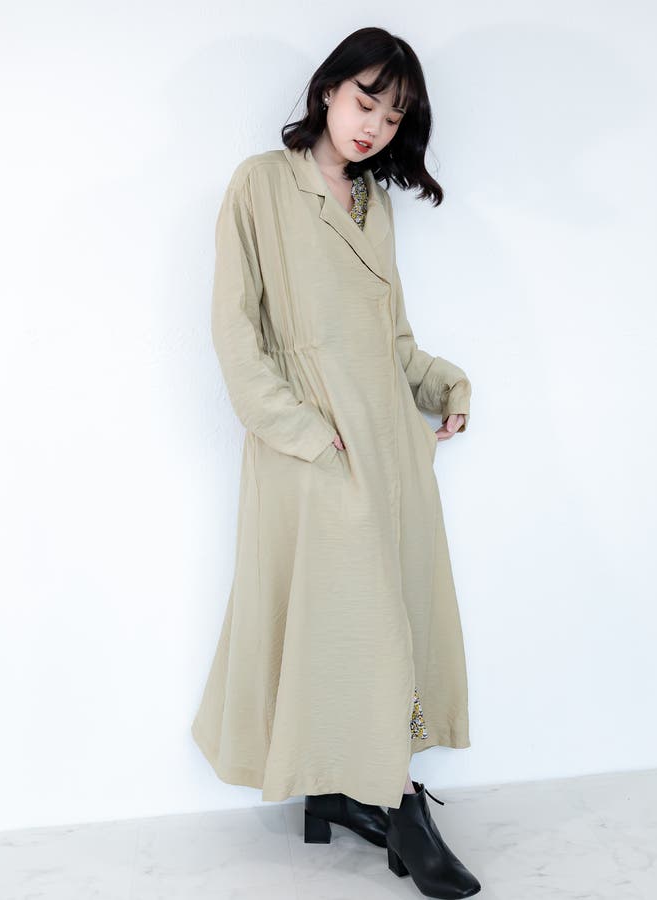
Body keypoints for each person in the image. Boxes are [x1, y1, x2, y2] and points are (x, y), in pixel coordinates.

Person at [191, 26, 480, 898]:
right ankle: (400, 806)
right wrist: (308, 434)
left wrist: (442, 384)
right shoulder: (260, 186)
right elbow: (237, 337)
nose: (373, 127)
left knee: (382, 616)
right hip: (314, 451)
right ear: (327, 90)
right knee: (358, 622)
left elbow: (391, 337)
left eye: (392, 117)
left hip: (385, 442)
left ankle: (341, 792)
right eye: (365, 101)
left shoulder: (373, 204)